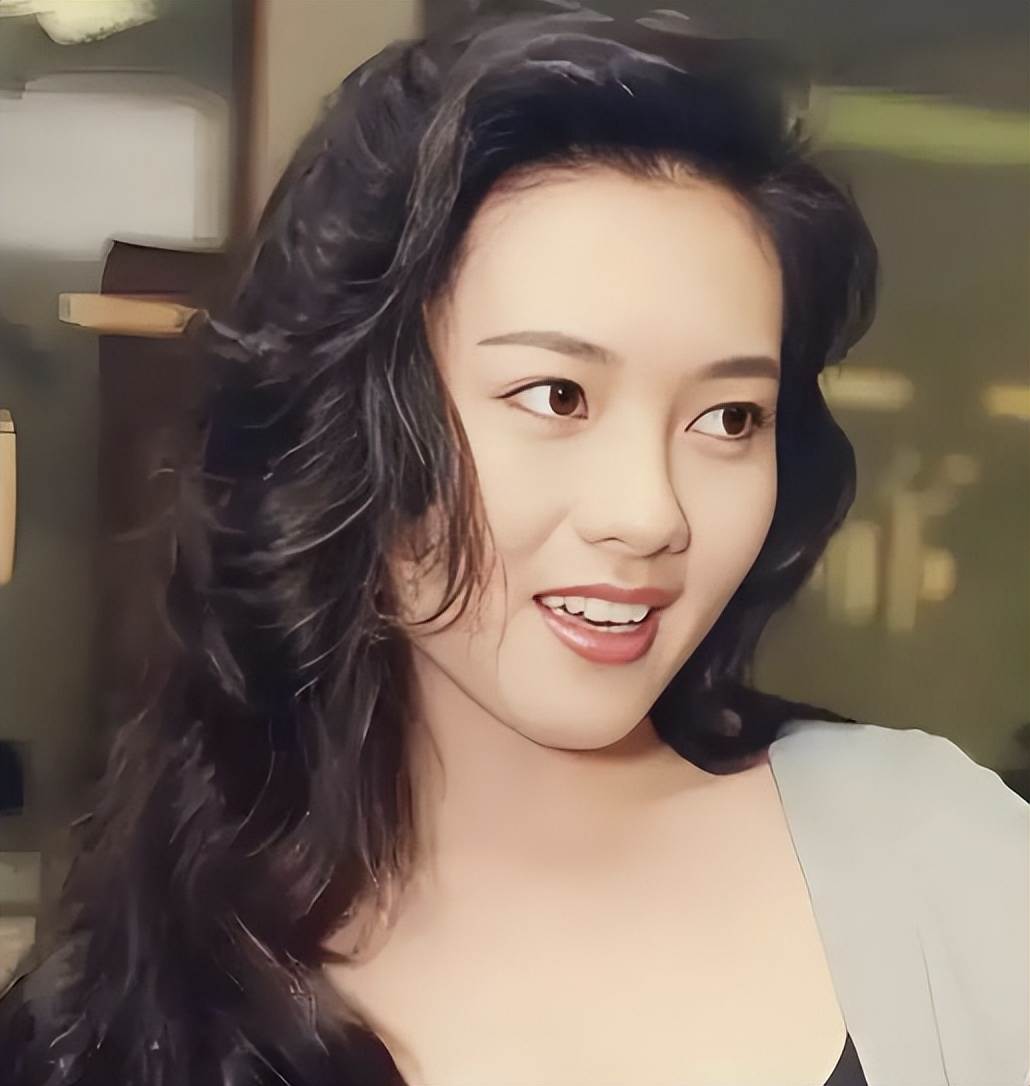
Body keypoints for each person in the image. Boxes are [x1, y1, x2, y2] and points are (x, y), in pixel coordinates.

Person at [2, 3, 1026, 1085]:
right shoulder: (129, 1004)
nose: (650, 514)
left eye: (729, 418)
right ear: (346, 415)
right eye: (556, 395)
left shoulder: (936, 866)